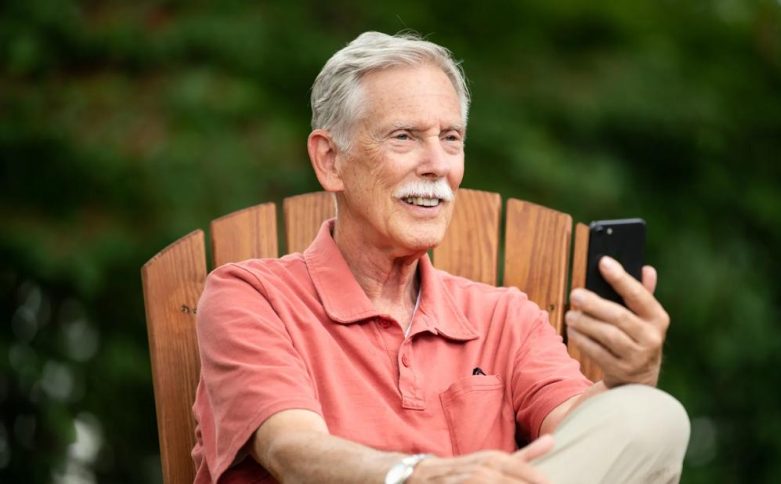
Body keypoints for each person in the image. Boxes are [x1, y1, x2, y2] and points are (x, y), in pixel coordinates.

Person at [191, 31, 690, 484]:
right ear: (330, 160)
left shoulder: (503, 318)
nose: (437, 166)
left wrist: (631, 378)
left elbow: (582, 443)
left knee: (655, 416)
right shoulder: (252, 297)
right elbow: (292, 451)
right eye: (404, 137)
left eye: (451, 139)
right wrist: (417, 475)